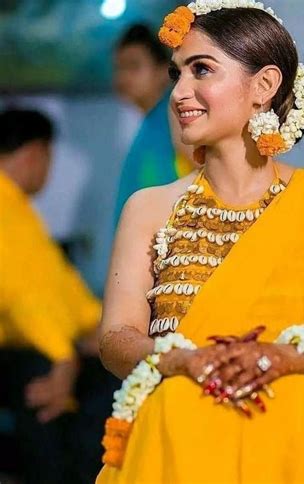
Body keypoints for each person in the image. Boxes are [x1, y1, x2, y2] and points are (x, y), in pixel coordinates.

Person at [97, 2, 304, 482]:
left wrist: (285, 358)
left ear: (264, 85)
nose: (179, 92)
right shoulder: (147, 207)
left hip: (300, 431)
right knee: (176, 407)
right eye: (176, 74)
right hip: (179, 429)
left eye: (201, 70)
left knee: (300, 409)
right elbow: (116, 339)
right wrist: (182, 360)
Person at [0, 108, 116, 484]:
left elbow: (59, 285)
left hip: (42, 345)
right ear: (35, 154)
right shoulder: (7, 212)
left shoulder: (18, 209)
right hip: (24, 354)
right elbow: (20, 297)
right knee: (47, 383)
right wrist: (63, 358)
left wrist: (99, 326)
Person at [113, 23, 194, 223]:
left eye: (133, 66)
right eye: (119, 68)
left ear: (163, 71)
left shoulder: (177, 112)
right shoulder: (147, 125)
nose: (123, 77)